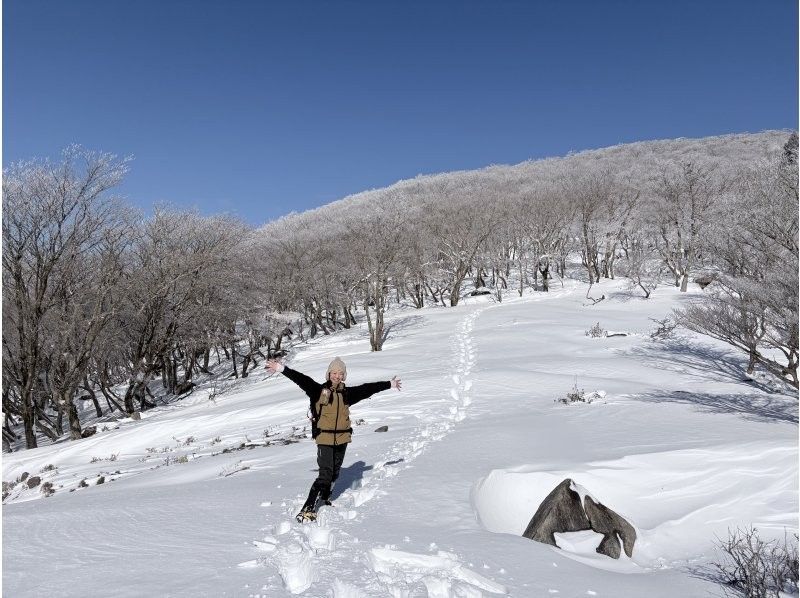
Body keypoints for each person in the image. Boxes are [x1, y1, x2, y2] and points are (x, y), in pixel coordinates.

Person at [266, 356, 402, 521]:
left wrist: (389, 384)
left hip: (343, 438)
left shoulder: (347, 394)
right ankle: (308, 509)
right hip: (325, 438)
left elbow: (368, 388)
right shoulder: (318, 390)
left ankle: (324, 498)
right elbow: (300, 379)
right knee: (325, 474)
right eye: (334, 372)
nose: (337, 376)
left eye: (340, 373)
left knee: (335, 472)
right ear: (329, 374)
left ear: (344, 376)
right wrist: (282, 369)